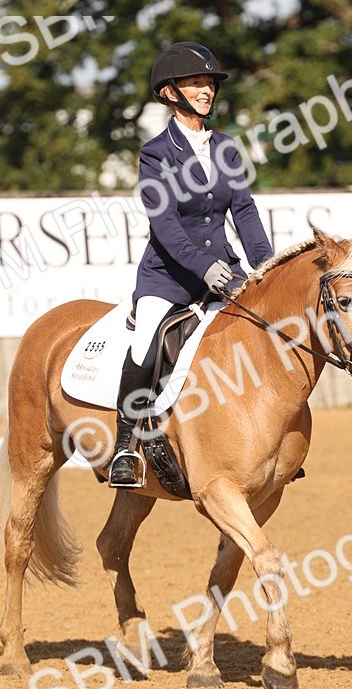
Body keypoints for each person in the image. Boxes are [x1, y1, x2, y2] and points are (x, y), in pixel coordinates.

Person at [109, 41, 274, 486]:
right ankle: (126, 446)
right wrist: (203, 267)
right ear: (169, 92)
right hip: (169, 278)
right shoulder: (155, 154)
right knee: (146, 342)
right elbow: (165, 227)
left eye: (209, 83)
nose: (206, 90)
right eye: (196, 82)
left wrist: (264, 268)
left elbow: (244, 211)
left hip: (227, 272)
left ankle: (267, 443)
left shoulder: (225, 147)